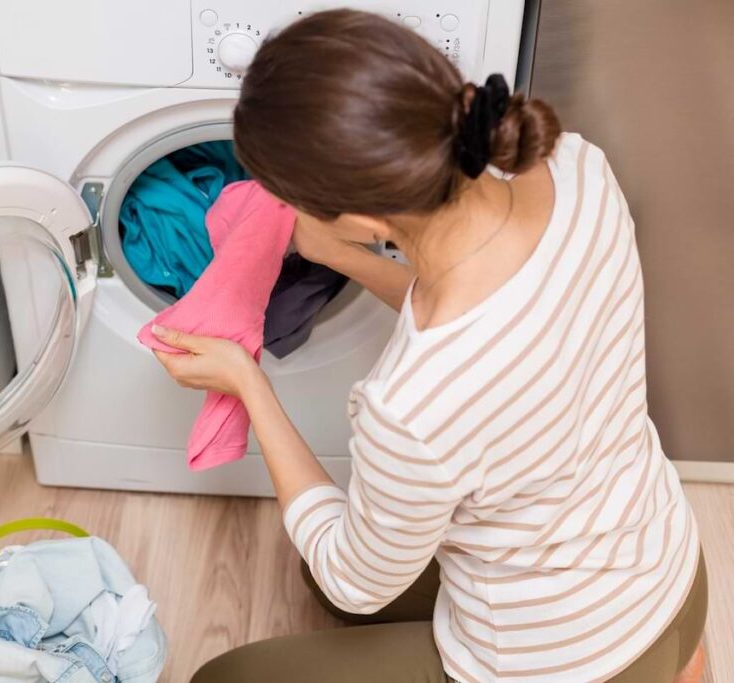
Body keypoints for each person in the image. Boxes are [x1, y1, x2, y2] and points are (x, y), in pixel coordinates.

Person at [149, 9, 707, 683]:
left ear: (361, 218)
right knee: (321, 566)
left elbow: (357, 581)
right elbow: (495, 316)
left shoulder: (410, 406)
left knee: (227, 674)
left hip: (565, 662)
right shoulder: (578, 164)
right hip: (669, 571)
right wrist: (346, 257)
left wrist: (248, 382)